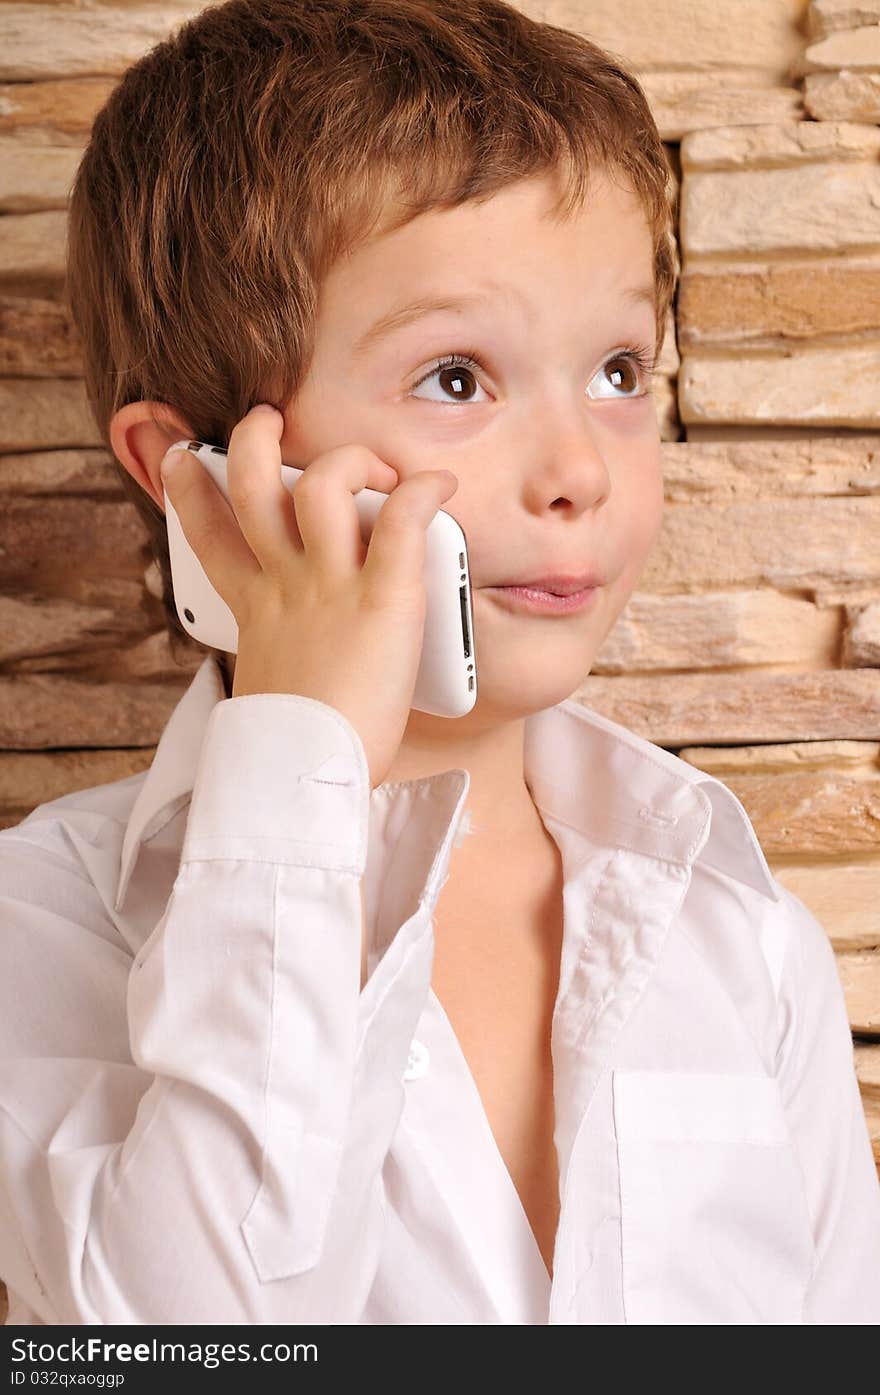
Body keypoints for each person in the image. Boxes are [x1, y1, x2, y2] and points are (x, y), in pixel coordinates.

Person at [1, 0, 878, 1326]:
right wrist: (303, 755)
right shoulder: (45, 924)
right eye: (459, 378)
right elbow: (200, 1339)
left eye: (620, 370)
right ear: (193, 481)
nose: (581, 469)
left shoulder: (740, 936)